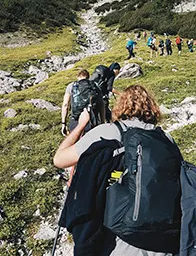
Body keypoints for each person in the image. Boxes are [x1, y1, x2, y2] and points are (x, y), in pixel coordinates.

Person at [53, 85, 174, 256]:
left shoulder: (108, 132)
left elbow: (59, 159)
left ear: (121, 106)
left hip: (118, 242)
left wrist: (80, 126)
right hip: (163, 242)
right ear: (152, 107)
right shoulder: (165, 139)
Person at [61, 69, 104, 136]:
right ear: (88, 77)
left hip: (76, 120)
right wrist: (102, 122)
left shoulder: (71, 86)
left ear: (78, 76)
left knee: (76, 143)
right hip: (92, 120)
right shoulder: (95, 86)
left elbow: (65, 105)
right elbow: (101, 105)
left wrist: (63, 123)